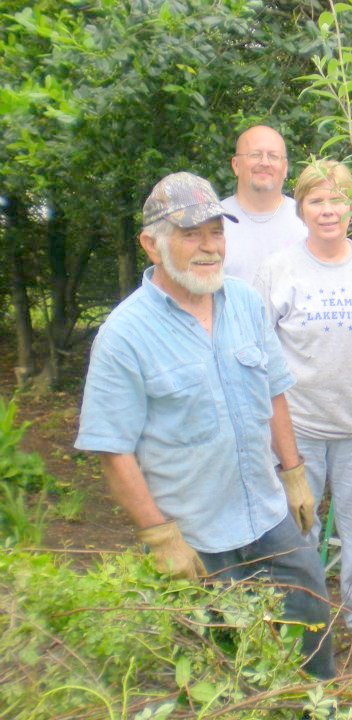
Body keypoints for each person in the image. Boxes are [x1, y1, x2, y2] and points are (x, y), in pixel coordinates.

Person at [75, 172, 335, 680]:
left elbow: (274, 391)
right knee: (223, 665)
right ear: (152, 244)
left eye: (216, 232)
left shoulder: (243, 302)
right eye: (191, 234)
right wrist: (158, 535)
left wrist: (294, 473)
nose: (209, 247)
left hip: (265, 512)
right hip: (197, 535)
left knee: (309, 615)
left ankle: (314, 708)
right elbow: (113, 450)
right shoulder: (124, 335)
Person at [254, 160, 352, 667]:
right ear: (300, 208)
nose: (328, 210)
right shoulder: (278, 268)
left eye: (338, 199)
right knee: (297, 534)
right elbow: (258, 354)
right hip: (297, 433)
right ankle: (302, 627)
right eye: (317, 200)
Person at [222, 125, 307, 283]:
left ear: (285, 167)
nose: (265, 162)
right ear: (235, 165)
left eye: (273, 156)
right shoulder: (214, 220)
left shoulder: (306, 219)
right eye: (255, 155)